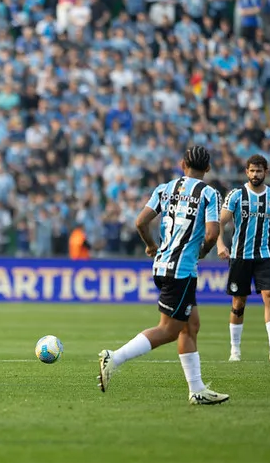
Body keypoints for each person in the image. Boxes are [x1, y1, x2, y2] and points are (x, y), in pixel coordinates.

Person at [97, 146, 229, 405]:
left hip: (162, 265)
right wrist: (202, 251)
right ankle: (114, 357)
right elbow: (213, 234)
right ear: (209, 168)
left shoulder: (164, 189)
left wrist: (150, 245)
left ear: (182, 164)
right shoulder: (209, 193)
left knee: (191, 326)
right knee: (169, 330)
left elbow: (140, 222)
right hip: (181, 271)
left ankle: (197, 389)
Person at [216, 154, 270, 362]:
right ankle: (235, 350)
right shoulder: (235, 195)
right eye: (252, 170)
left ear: (265, 172)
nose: (255, 174)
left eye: (259, 171)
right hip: (240, 255)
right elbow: (218, 223)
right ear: (246, 172)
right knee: (239, 301)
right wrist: (220, 244)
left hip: (266, 256)